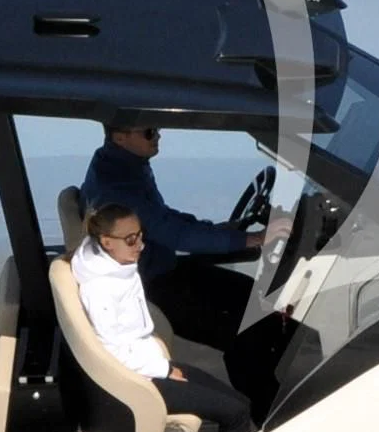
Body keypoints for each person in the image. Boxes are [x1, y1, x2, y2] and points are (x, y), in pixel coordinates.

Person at [67, 206, 255, 432]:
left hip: (147, 365)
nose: (140, 245)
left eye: (141, 235)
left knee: (241, 402)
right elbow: (113, 352)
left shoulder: (115, 268)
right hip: (139, 377)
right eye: (131, 239)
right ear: (106, 242)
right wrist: (163, 369)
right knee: (237, 413)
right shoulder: (101, 289)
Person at [78, 117, 269, 355]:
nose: (158, 136)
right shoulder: (117, 187)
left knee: (250, 294)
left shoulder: (122, 166)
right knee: (247, 330)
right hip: (150, 287)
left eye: (156, 129)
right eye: (149, 131)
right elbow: (174, 234)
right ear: (120, 137)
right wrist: (251, 239)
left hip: (163, 269)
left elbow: (162, 217)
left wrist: (218, 229)